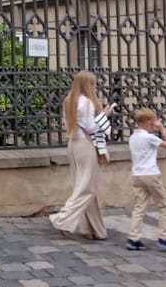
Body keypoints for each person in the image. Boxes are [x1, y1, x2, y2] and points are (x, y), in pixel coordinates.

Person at [49, 70, 116, 240]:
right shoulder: (86, 102)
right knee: (87, 188)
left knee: (82, 185)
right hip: (86, 144)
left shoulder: (68, 100)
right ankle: (61, 219)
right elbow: (92, 127)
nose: (94, 86)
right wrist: (104, 115)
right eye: (92, 83)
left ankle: (93, 229)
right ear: (88, 84)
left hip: (73, 144)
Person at [125, 108, 166, 253]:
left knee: (139, 207)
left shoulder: (133, 137)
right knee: (164, 206)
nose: (155, 124)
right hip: (151, 174)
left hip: (137, 175)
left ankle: (133, 238)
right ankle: (164, 238)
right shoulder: (149, 137)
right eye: (153, 122)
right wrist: (162, 129)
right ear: (147, 122)